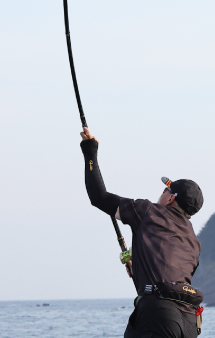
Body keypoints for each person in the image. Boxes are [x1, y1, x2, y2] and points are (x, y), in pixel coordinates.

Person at [79, 128, 205, 338]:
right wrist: (138, 267)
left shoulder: (148, 211)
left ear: (171, 198)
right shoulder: (193, 241)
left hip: (159, 315)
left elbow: (98, 197)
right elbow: (169, 275)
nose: (161, 194)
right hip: (190, 323)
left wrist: (90, 153)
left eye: (165, 190)